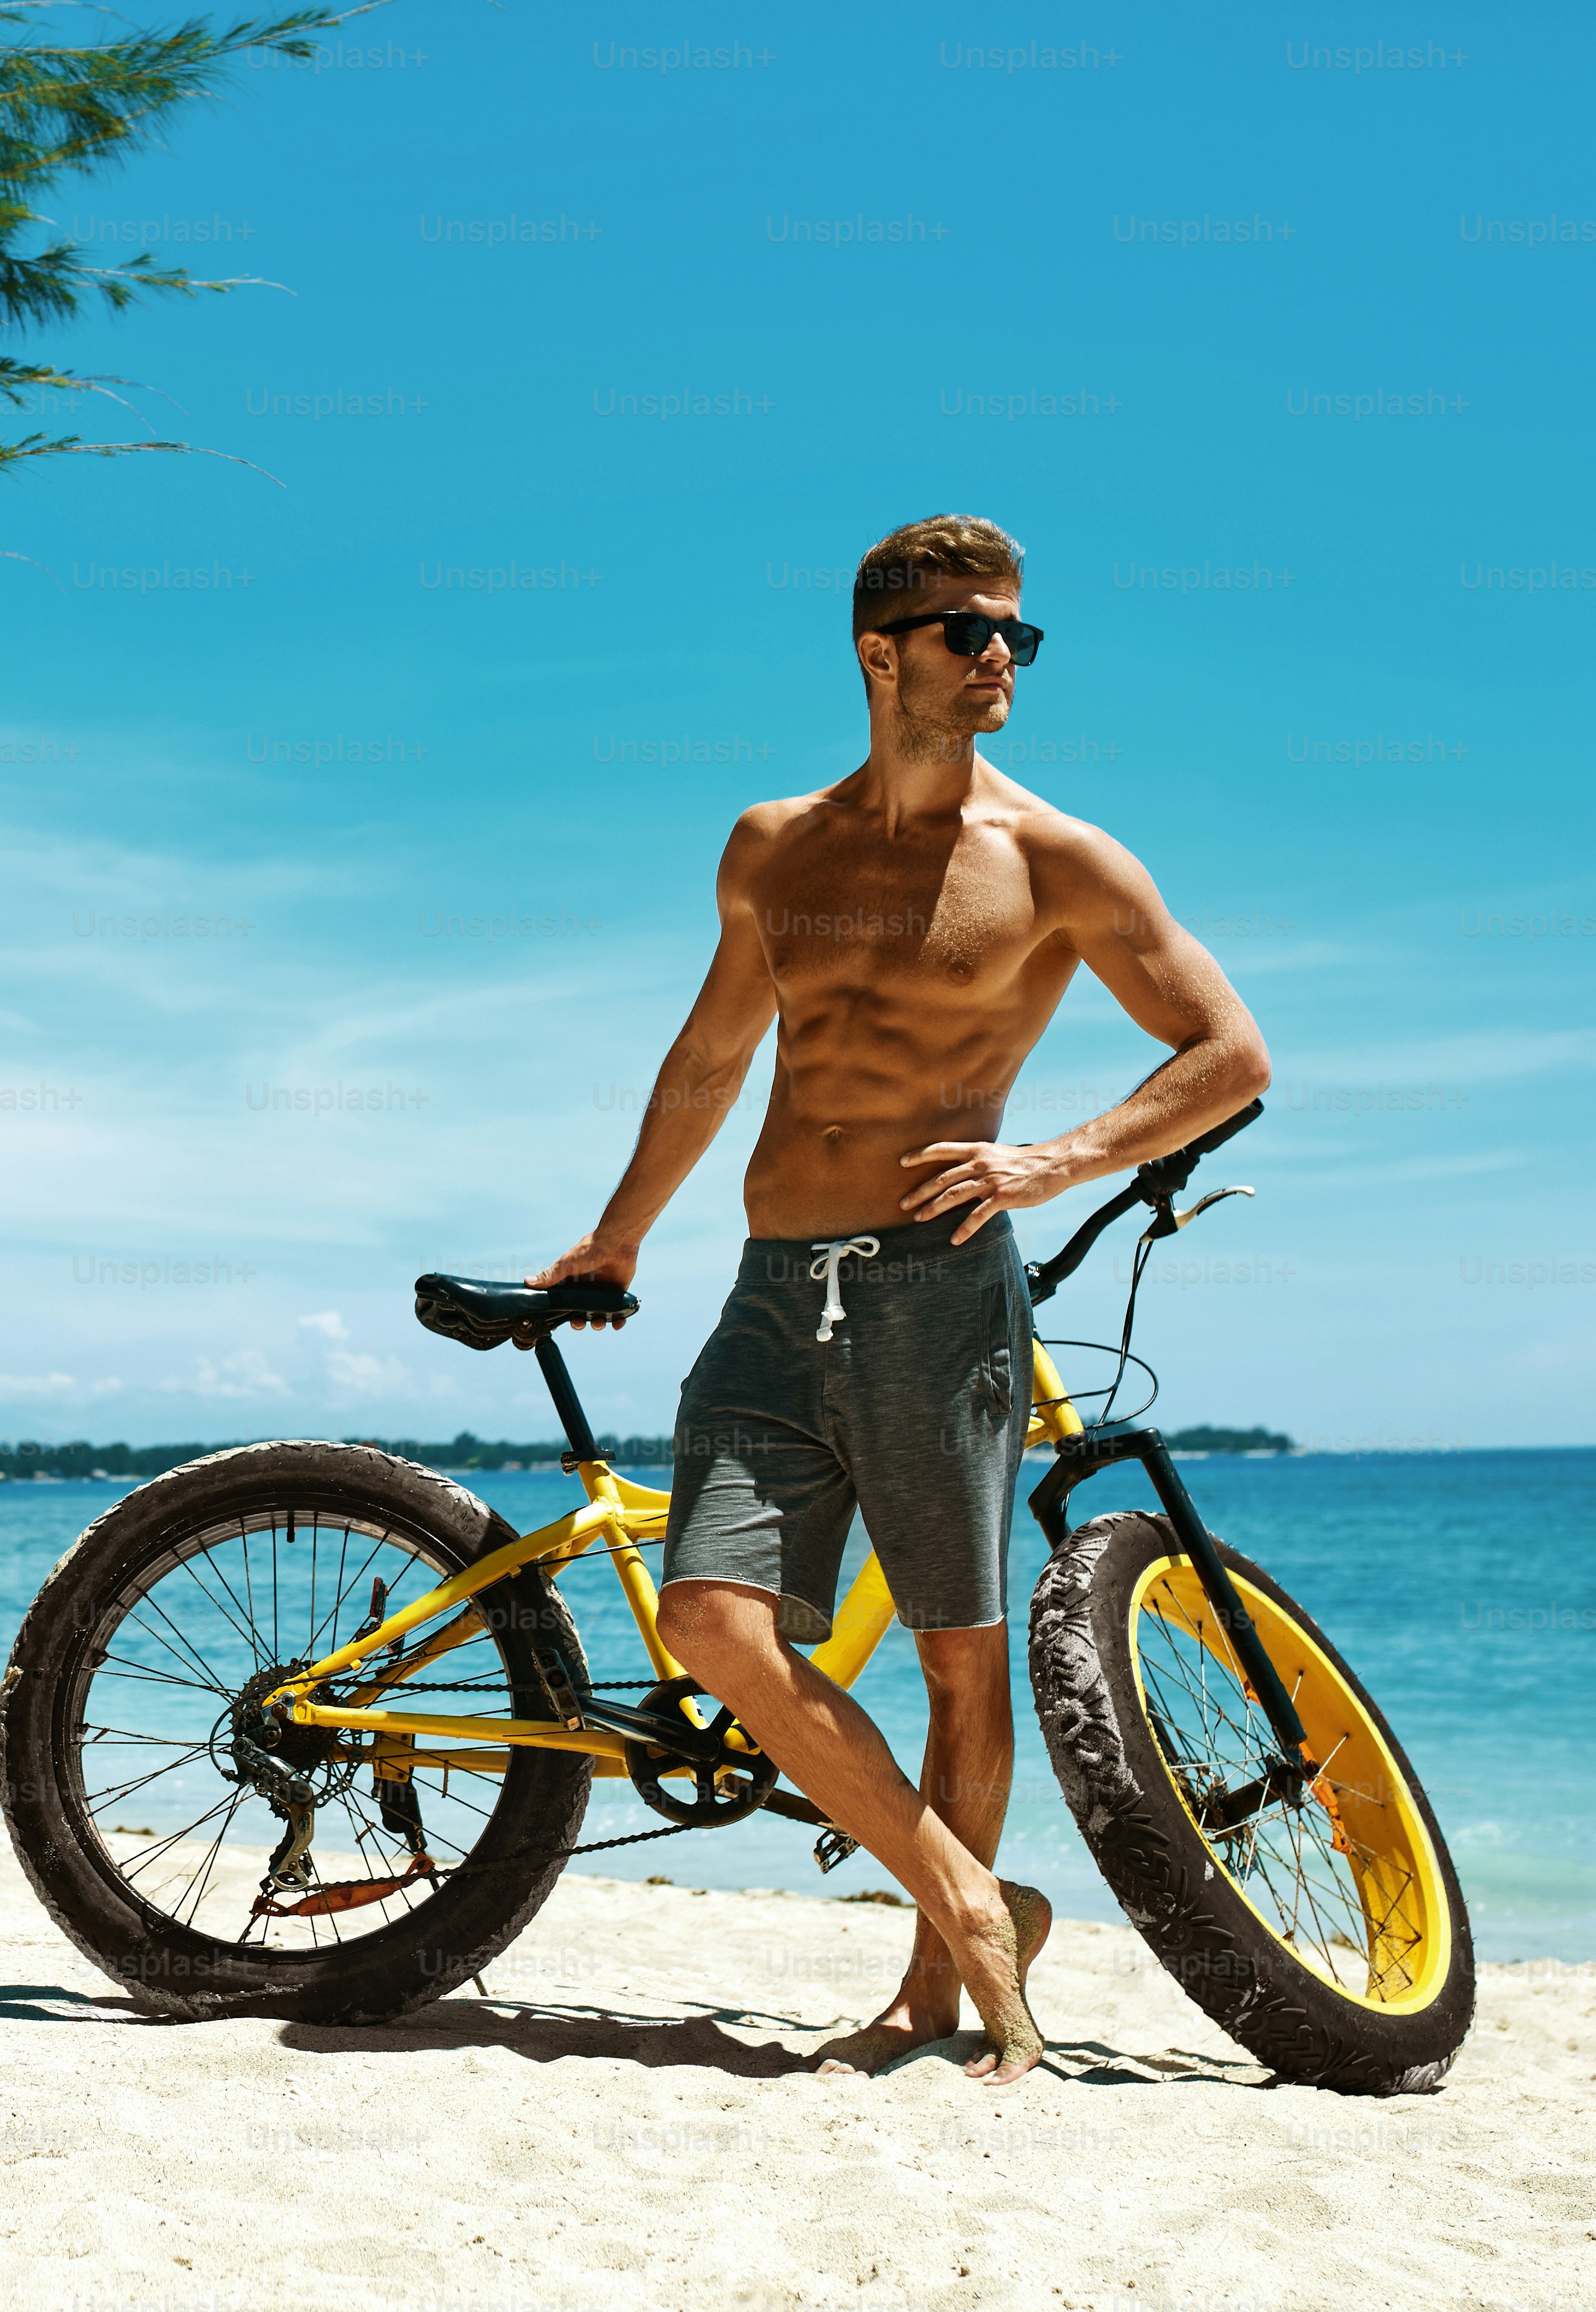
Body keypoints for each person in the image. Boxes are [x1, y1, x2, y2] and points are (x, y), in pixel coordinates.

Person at [529, 515, 1272, 2084]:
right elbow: (714, 1056)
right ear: (880, 653)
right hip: (773, 1290)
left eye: (1018, 631)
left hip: (937, 1293)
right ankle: (973, 1899)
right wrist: (618, 1236)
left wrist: (1054, 1159)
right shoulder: (773, 845)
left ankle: (931, 1997)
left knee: (955, 1654)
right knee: (713, 1625)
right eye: (967, 630)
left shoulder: (1058, 860)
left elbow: (1228, 1055)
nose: (1002, 653)